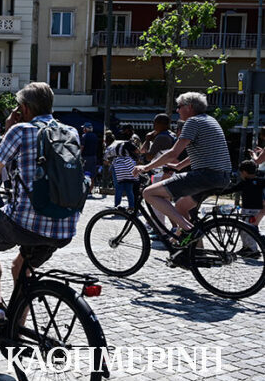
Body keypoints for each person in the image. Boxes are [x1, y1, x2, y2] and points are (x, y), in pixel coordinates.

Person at [0, 82, 79, 328]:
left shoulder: (20, 130)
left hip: (26, 222)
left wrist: (4, 135)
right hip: (65, 226)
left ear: (23, 108)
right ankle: (16, 331)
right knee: (21, 267)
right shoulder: (71, 132)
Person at [133, 92, 232, 263]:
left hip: (205, 176)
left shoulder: (192, 122)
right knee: (181, 207)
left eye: (179, 106)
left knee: (149, 193)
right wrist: (178, 167)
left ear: (189, 107)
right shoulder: (210, 120)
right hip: (222, 177)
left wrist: (146, 167)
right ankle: (197, 254)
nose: (177, 110)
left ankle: (188, 229)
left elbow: (173, 153)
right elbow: (202, 152)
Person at [225, 160, 265, 252]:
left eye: (241, 173)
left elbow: (232, 189)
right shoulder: (261, 181)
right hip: (257, 209)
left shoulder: (244, 183)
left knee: (247, 230)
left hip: (248, 210)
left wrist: (218, 191)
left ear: (244, 172)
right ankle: (246, 247)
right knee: (246, 229)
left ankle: (253, 250)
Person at [104, 131, 140, 210]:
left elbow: (105, 160)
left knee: (118, 188)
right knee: (129, 189)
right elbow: (138, 151)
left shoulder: (112, 145)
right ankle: (131, 206)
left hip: (117, 167)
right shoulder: (128, 143)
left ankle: (117, 205)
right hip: (128, 166)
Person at [80, 122, 98, 193]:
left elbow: (82, 147)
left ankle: (85, 189)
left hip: (85, 157)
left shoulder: (84, 136)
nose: (83, 129)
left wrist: (78, 155)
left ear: (86, 129)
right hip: (94, 157)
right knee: (92, 173)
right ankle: (90, 189)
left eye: (84, 128)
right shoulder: (95, 136)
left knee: (84, 173)